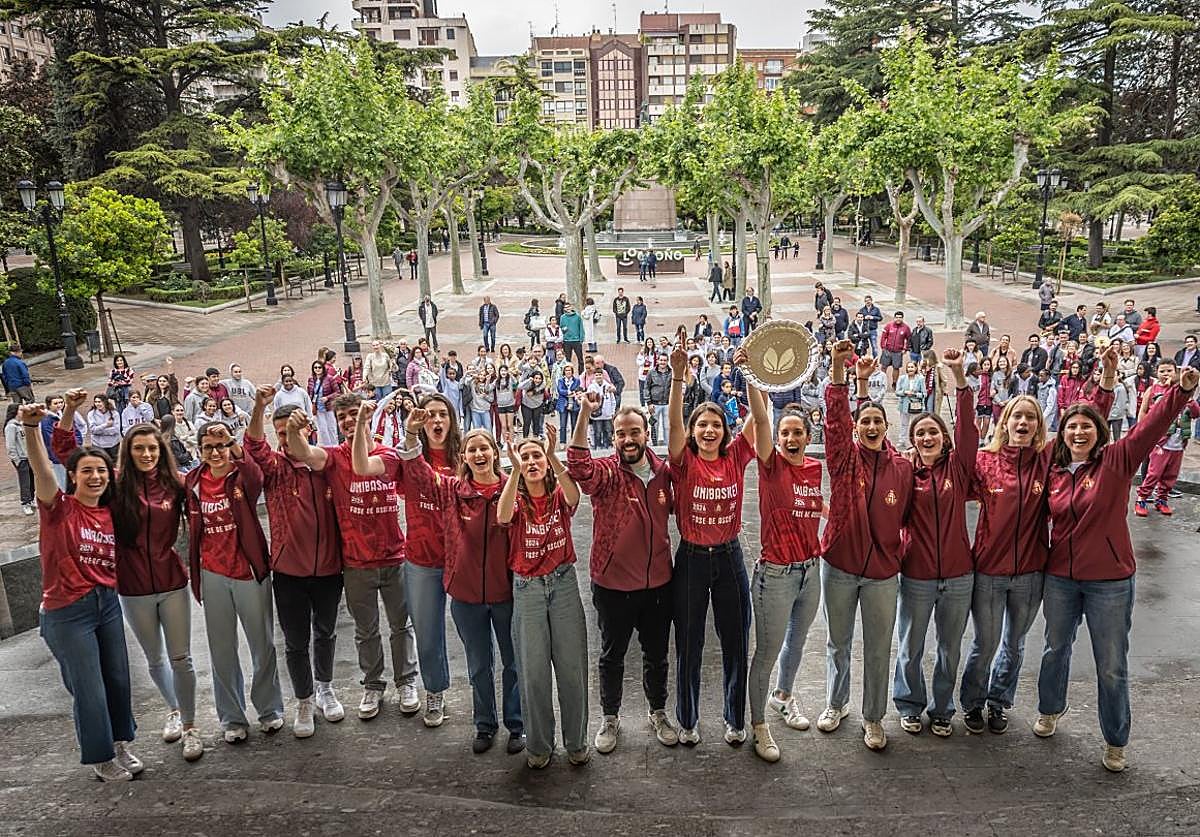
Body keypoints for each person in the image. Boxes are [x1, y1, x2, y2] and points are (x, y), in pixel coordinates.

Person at [1035, 365, 1199, 773]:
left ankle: (1115, 739)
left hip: (1109, 582)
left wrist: (1180, 392)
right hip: (1060, 579)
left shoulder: (1117, 461)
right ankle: (1050, 709)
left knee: (1111, 664)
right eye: (1071, 427)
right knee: (1055, 650)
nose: (1078, 433)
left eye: (1086, 427)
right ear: (1063, 433)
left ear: (1099, 432)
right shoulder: (1052, 471)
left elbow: (1151, 424)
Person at [959, 345, 1116, 736]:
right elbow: (958, 454)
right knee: (985, 644)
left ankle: (999, 702)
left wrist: (1107, 380)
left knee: (1014, 646)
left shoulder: (1048, 459)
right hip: (990, 572)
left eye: (1030, 416)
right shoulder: (984, 461)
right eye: (1017, 416)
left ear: (1038, 426)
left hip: (1031, 573)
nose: (1023, 422)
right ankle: (973, 703)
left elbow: (1088, 418)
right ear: (1005, 421)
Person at [56, 391, 204, 760]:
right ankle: (172, 708)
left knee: (181, 657)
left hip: (171, 580)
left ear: (161, 449)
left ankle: (190, 726)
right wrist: (71, 411)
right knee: (154, 659)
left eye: (152, 448)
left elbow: (213, 491)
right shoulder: (115, 483)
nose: (147, 454)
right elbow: (67, 454)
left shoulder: (176, 484)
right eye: (139, 448)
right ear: (128, 450)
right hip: (132, 584)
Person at [18, 401, 142, 781]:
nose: (94, 477)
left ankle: (121, 743)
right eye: (86, 471)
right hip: (67, 611)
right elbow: (42, 468)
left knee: (118, 678)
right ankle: (101, 757)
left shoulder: (110, 511)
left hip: (106, 604)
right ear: (72, 476)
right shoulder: (59, 508)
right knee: (89, 687)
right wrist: (31, 429)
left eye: (100, 471)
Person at [388, 415, 526, 755]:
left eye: (484, 449)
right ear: (462, 457)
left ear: (495, 452)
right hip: (466, 596)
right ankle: (484, 724)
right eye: (471, 450)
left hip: (506, 593)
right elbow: (419, 473)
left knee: (513, 663)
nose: (479, 455)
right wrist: (410, 433)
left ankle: (517, 725)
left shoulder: (512, 488)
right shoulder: (452, 491)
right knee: (479, 665)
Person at [284, 394, 420, 721]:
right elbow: (302, 451)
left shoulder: (387, 454)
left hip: (393, 556)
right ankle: (373, 685)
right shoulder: (332, 458)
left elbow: (363, 464)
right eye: (342, 416)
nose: (347, 420)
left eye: (352, 415)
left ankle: (407, 682)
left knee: (401, 626)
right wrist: (292, 430)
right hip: (356, 561)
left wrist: (362, 422)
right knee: (366, 631)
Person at [666, 341, 765, 747]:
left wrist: (752, 375)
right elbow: (672, 425)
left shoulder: (736, 456)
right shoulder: (683, 460)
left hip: (729, 558)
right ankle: (687, 721)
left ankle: (734, 718)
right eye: (701, 425)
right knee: (689, 643)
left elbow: (758, 419)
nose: (709, 430)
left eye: (716, 425)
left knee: (736, 641)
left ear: (725, 431)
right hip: (690, 560)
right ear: (692, 432)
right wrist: (676, 378)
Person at [568, 394, 678, 754]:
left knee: (657, 655)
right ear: (613, 437)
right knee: (611, 656)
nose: (627, 439)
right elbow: (579, 465)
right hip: (612, 585)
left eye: (634, 432)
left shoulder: (665, 473)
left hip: (658, 585)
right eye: (620, 434)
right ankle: (610, 717)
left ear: (647, 433)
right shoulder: (607, 474)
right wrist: (585, 410)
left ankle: (658, 712)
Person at [818, 344, 912, 751]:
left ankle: (873, 718)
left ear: (886, 427)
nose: (871, 426)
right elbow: (835, 421)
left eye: (878, 421)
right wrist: (842, 371)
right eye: (865, 421)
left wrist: (896, 552)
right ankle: (835, 703)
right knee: (838, 642)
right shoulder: (843, 461)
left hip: (881, 576)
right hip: (839, 566)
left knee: (877, 648)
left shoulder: (903, 468)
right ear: (856, 429)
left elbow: (910, 517)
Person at [352, 393, 461, 729]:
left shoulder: (467, 454)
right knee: (427, 634)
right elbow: (361, 467)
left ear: (452, 420)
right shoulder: (405, 456)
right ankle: (435, 691)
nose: (437, 421)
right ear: (420, 420)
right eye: (430, 415)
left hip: (463, 559)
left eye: (443, 414)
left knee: (477, 635)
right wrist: (361, 423)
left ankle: (487, 703)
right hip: (422, 560)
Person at [244, 389, 344, 739]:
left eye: (293, 430)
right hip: (288, 571)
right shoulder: (274, 467)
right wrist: (258, 406)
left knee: (327, 633)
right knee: (296, 641)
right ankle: (303, 699)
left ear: (308, 429)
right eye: (280, 433)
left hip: (330, 569)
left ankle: (325, 688)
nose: (286, 439)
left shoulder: (325, 463)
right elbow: (254, 445)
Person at [893, 352, 976, 738]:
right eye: (919, 433)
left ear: (944, 439)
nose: (927, 437)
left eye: (933, 432)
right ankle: (910, 704)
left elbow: (968, 432)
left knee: (950, 648)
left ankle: (942, 708)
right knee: (910, 645)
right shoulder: (906, 473)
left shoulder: (958, 470)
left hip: (959, 575)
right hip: (917, 575)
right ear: (912, 441)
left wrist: (959, 379)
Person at [185, 420, 284, 744]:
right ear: (199, 451)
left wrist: (236, 445)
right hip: (213, 573)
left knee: (262, 644)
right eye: (208, 447)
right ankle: (232, 717)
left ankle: (269, 709)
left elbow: (257, 475)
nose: (215, 452)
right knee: (222, 650)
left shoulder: (242, 476)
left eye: (221, 445)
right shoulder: (193, 483)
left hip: (249, 571)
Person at [496, 427, 588, 769]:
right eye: (526, 456)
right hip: (528, 588)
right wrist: (515, 468)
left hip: (563, 583)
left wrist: (552, 454)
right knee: (533, 672)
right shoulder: (515, 498)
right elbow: (502, 516)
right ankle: (539, 746)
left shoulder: (558, 497)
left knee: (571, 669)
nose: (532, 461)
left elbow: (573, 495)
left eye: (537, 456)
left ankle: (576, 741)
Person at [745, 387, 823, 763]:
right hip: (775, 574)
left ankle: (783, 697)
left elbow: (810, 504)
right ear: (776, 441)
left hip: (811, 571)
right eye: (785, 434)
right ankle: (759, 725)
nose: (791, 438)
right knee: (768, 652)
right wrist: (753, 381)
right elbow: (760, 419)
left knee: (798, 641)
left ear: (808, 437)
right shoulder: (770, 464)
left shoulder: (814, 467)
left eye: (797, 432)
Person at [1134, 372, 1199, 515]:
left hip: (1178, 446)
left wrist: (1190, 400)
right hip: (1161, 444)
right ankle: (1142, 499)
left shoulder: (1189, 403)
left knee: (1171, 475)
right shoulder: (1164, 400)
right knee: (1154, 473)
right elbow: (1156, 413)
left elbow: (1196, 414)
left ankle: (1161, 500)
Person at [5, 404, 35, 514]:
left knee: (32, 479)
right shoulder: (11, 426)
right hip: (21, 459)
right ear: (15, 412)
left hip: (29, 457)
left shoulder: (22, 424)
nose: (24, 411)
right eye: (21, 410)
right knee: (25, 481)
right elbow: (10, 446)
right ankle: (25, 503)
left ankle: (31, 499)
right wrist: (17, 460)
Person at [307, 360, 341, 446]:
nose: (317, 369)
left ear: (323, 368)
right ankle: (328, 447)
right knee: (322, 429)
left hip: (328, 407)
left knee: (331, 428)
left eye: (319, 367)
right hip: (318, 408)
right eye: (315, 368)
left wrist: (327, 398)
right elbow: (309, 393)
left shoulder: (330, 378)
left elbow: (337, 392)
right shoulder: (311, 380)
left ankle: (335, 446)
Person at [895, 361, 927, 447]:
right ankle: (902, 440)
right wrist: (905, 392)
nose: (910, 369)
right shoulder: (902, 378)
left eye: (912, 367)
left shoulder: (920, 379)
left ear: (916, 368)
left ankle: (915, 441)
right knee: (903, 424)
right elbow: (897, 392)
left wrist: (915, 394)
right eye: (908, 367)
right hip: (904, 405)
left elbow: (924, 394)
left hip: (915, 405)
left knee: (915, 424)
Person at [879, 311, 912, 389]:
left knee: (896, 368)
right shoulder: (888, 326)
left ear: (902, 318)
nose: (898, 319)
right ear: (894, 318)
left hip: (898, 352)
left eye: (900, 317)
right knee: (883, 366)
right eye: (897, 317)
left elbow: (909, 339)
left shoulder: (906, 328)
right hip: (887, 350)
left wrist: (905, 349)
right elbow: (883, 337)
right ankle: (881, 381)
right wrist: (883, 347)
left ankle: (894, 383)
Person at [560, 301, 585, 369]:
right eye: (565, 308)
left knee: (580, 359)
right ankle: (569, 374)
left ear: (571, 307)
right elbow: (561, 327)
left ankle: (581, 374)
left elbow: (581, 328)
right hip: (567, 341)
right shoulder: (562, 317)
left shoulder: (577, 317)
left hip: (576, 340)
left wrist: (581, 339)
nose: (567, 309)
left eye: (568, 307)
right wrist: (564, 330)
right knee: (568, 360)